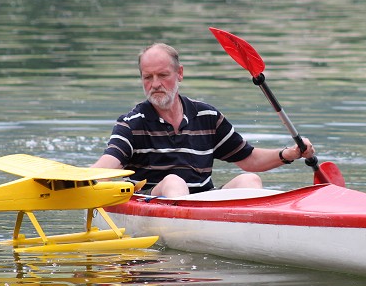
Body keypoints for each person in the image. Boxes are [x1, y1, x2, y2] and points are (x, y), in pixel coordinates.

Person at [92, 43, 315, 197]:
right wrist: (73, 181)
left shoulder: (207, 116)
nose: (155, 84)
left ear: (179, 73)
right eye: (147, 77)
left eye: (163, 75)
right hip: (155, 202)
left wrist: (290, 153)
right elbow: (106, 167)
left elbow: (250, 159)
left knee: (250, 180)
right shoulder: (132, 123)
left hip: (204, 203)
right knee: (174, 182)